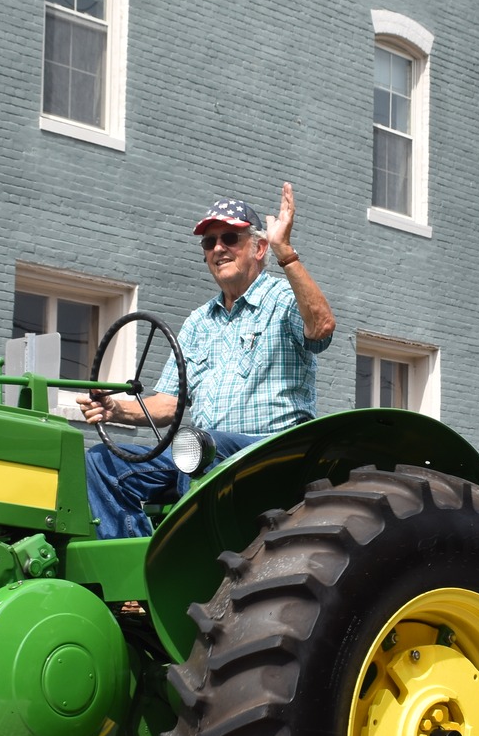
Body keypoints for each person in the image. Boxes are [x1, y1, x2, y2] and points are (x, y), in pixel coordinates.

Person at [79, 186, 335, 538]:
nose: (218, 249)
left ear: (259, 248)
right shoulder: (199, 322)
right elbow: (169, 404)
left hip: (271, 451)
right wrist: (116, 410)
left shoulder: (284, 299)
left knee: (196, 445)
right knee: (101, 462)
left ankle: (190, 564)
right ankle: (135, 576)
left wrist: (286, 254)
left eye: (230, 237)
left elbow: (321, 327)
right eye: (209, 242)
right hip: (203, 453)